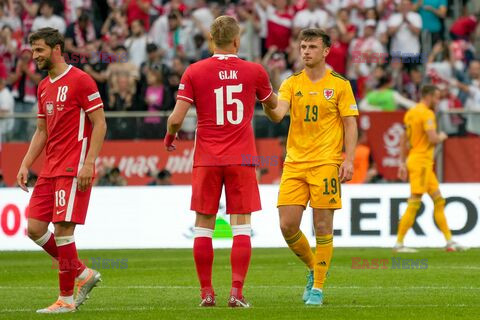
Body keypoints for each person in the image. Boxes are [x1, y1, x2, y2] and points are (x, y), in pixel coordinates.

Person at [165, 15, 277, 308]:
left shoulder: (194, 71)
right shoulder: (255, 71)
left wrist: (170, 136)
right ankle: (236, 294)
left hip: (207, 158)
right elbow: (274, 107)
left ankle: (206, 293)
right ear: (237, 41)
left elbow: (176, 118)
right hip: (242, 158)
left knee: (203, 226)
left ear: (212, 40)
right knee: (241, 227)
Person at [263, 28, 359, 306]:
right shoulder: (291, 83)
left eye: (312, 47)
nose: (305, 51)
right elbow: (278, 115)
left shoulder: (340, 84)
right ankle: (312, 267)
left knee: (322, 225)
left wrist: (348, 159)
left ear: (326, 51)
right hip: (294, 163)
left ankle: (317, 287)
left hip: (326, 163)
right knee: (287, 225)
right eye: (302, 46)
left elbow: (350, 123)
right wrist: (266, 100)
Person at [16, 27, 107, 313]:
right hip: (50, 168)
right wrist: (25, 163)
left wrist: (89, 163)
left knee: (63, 230)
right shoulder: (44, 86)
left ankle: (66, 300)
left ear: (56, 49)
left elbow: (100, 123)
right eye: (33, 50)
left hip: (73, 166)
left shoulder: (81, 80)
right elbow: (41, 130)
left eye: (40, 50)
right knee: (34, 228)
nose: (35, 56)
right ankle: (82, 273)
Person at [395, 85, 465, 252]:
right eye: (436, 97)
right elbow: (433, 138)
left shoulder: (411, 112)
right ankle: (399, 244)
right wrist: (442, 136)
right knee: (414, 201)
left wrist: (402, 162)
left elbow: (404, 138)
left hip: (418, 161)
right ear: (427, 96)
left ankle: (449, 242)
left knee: (439, 200)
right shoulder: (427, 113)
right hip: (421, 163)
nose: (438, 100)